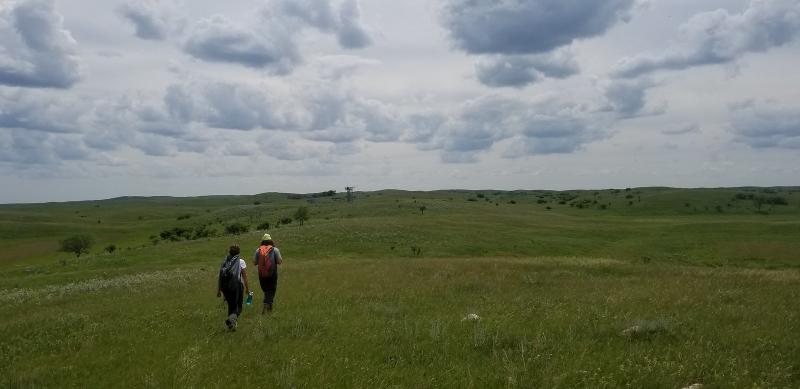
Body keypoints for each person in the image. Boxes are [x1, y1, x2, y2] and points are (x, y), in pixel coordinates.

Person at [217, 244, 250, 330]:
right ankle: (230, 320)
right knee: (238, 307)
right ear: (239, 252)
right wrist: (247, 288)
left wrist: (219, 290)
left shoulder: (225, 261)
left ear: (229, 252)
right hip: (237, 286)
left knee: (231, 306)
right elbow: (245, 276)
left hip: (225, 287)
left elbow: (220, 276)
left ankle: (231, 326)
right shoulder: (241, 261)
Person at [254, 233, 283, 314]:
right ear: (271, 241)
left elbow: (254, 262)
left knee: (266, 291)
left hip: (261, 275)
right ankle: (265, 305)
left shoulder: (258, 250)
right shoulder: (275, 250)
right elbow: (279, 261)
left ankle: (269, 309)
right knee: (271, 291)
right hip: (272, 274)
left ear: (262, 241)